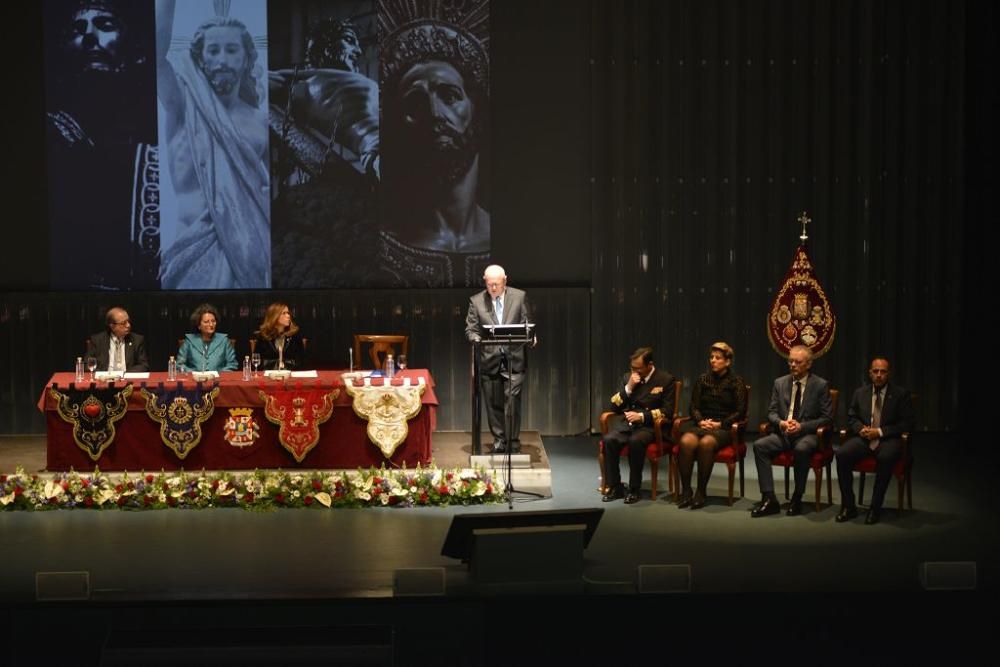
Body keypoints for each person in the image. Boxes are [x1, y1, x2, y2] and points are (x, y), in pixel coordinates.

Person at [155, 0, 270, 289]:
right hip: (191, 258)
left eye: (231, 51)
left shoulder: (260, 123)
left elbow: (265, 200)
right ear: (201, 59)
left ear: (246, 58)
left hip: (251, 262)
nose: (222, 60)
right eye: (213, 50)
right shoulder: (181, 105)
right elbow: (155, 57)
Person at [45, 0, 159, 289]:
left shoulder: (156, 131)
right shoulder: (52, 133)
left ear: (135, 51)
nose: (89, 37)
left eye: (105, 26)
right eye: (77, 29)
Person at [379, 18, 491, 287]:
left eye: (450, 96)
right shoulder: (384, 250)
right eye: (415, 102)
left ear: (475, 110)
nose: (435, 114)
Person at [751, 344, 834, 517]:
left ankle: (797, 497)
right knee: (760, 445)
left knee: (801, 449)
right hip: (784, 432)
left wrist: (801, 426)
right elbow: (771, 412)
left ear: (808, 364)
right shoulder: (780, 383)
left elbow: (827, 418)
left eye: (797, 362)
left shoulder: (820, 385)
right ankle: (769, 498)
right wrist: (781, 423)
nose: (793, 365)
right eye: (790, 361)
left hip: (807, 435)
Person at [835, 357, 915, 524]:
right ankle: (849, 506)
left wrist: (879, 432)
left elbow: (906, 423)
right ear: (870, 373)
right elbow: (852, 417)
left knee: (885, 457)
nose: (879, 375)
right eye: (876, 371)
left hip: (888, 439)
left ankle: (875, 507)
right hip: (864, 438)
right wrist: (860, 429)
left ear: (889, 374)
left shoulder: (901, 394)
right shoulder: (860, 393)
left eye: (883, 371)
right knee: (842, 454)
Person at [465, 265, 535, 453]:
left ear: (505, 280)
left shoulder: (519, 297)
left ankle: (512, 440)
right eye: (490, 285)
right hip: (489, 359)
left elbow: (527, 324)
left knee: (512, 400)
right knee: (493, 403)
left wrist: (530, 336)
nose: (493, 288)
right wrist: (476, 339)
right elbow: (471, 329)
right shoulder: (476, 301)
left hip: (514, 359)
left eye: (497, 284)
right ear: (485, 282)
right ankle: (499, 439)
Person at [675, 342, 748, 509]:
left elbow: (740, 411)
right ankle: (686, 491)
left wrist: (720, 423)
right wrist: (700, 420)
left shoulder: (736, 382)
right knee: (686, 441)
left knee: (706, 443)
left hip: (724, 428)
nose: (713, 361)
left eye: (718, 358)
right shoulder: (702, 379)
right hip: (703, 423)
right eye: (711, 357)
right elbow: (693, 406)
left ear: (727, 362)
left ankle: (701, 492)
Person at [601, 347, 677, 504]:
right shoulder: (628, 378)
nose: (634, 371)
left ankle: (635, 488)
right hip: (628, 425)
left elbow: (668, 411)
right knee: (609, 439)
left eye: (638, 368)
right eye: (632, 367)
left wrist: (642, 416)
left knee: (636, 441)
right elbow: (614, 407)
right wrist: (628, 388)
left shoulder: (665, 380)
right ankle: (615, 486)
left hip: (651, 427)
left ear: (650, 365)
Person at [177, 304, 238, 373]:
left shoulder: (224, 340)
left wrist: (217, 374)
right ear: (199, 325)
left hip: (218, 381)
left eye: (213, 321)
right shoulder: (189, 341)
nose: (211, 325)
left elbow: (232, 364)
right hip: (195, 381)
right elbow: (180, 365)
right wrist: (195, 373)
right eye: (206, 322)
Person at [87, 307, 149, 372]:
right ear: (112, 326)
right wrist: (104, 376)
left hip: (127, 379)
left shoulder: (137, 340)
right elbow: (88, 364)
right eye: (123, 323)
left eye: (128, 321)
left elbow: (144, 365)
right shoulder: (97, 340)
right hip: (104, 379)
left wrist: (124, 375)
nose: (128, 325)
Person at [253, 303, 306, 371]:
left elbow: (302, 360)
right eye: (284, 313)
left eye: (288, 313)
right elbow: (257, 360)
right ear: (274, 316)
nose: (288, 316)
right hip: (268, 375)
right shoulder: (263, 336)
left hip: (290, 375)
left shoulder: (295, 335)